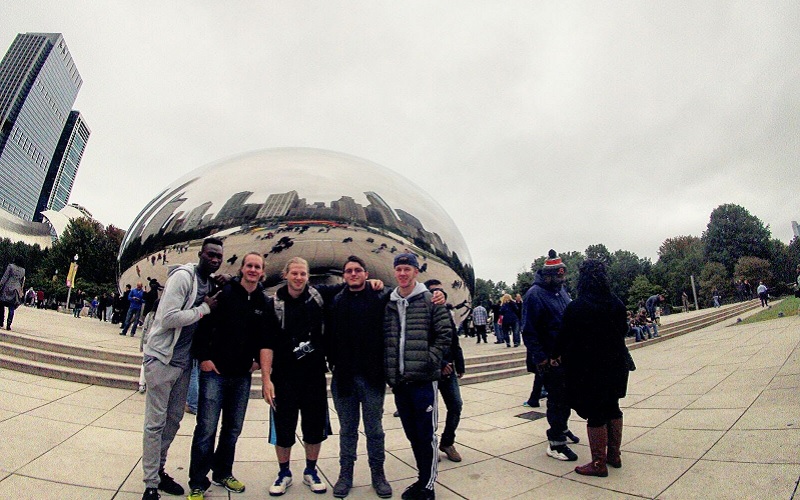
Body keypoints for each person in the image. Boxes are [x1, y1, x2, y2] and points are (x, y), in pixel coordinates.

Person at [140, 237, 223, 500]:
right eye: (211, 255)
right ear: (200, 254)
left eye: (219, 256)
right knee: (155, 424)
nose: (215, 260)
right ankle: (151, 484)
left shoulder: (209, 283)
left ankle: (160, 470)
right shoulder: (183, 278)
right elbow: (168, 317)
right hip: (162, 359)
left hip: (184, 363)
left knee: (173, 421)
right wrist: (203, 309)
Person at [186, 253, 270, 500]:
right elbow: (203, 325)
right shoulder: (225, 294)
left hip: (241, 376)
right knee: (206, 428)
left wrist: (256, 361)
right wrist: (204, 358)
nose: (253, 270)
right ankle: (198, 481)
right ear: (242, 269)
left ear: (262, 272)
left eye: (257, 267)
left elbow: (264, 335)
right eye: (249, 266)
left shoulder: (262, 301)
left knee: (232, 429)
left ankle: (223, 472)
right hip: (215, 374)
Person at [384, 253, 453, 500]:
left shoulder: (431, 300)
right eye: (399, 269)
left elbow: (445, 335)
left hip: (423, 381)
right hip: (400, 382)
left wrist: (428, 360)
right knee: (413, 435)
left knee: (426, 435)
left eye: (407, 269)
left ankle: (428, 485)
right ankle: (422, 479)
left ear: (415, 272)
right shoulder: (389, 303)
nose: (402, 274)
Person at [260, 257, 329, 496]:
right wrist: (266, 379)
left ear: (308, 276)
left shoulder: (318, 299)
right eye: (295, 273)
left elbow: (351, 286)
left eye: (303, 274)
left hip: (314, 377)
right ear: (286, 274)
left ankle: (311, 470)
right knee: (284, 428)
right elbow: (266, 343)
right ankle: (284, 472)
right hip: (284, 377)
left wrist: (373, 281)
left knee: (313, 426)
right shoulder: (275, 304)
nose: (299, 278)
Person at [325, 255, 393, 498]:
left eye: (357, 270)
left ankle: (378, 474)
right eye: (349, 271)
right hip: (343, 377)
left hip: (372, 376)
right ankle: (346, 475)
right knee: (348, 430)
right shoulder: (335, 300)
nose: (353, 274)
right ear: (344, 276)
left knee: (374, 429)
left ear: (366, 273)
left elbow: (404, 292)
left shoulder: (379, 297)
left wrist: (440, 295)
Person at [555, 259, 629, 477]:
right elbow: (624, 330)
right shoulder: (617, 303)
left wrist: (554, 356)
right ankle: (614, 455)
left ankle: (598, 463)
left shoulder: (576, 307)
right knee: (613, 407)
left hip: (590, 369)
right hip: (616, 365)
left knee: (596, 413)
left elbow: (564, 338)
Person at [521, 249, 580, 462]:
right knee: (557, 400)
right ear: (548, 275)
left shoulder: (561, 291)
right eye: (559, 276)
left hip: (566, 355)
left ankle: (562, 428)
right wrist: (542, 359)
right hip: (549, 359)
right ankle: (555, 442)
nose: (562, 279)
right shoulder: (534, 294)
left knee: (567, 397)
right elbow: (528, 330)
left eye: (563, 275)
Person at [424, 279, 465, 464]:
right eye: (433, 291)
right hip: (430, 371)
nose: (438, 293)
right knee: (429, 410)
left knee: (455, 405)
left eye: (440, 290)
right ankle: (429, 446)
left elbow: (453, 340)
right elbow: (423, 343)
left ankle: (447, 442)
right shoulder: (422, 313)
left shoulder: (447, 313)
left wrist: (459, 364)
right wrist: (440, 363)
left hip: (449, 370)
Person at [0, 258, 26, 331]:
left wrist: (1, 285)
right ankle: (9, 324)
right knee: (11, 307)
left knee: (1, 304)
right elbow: (22, 282)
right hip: (16, 290)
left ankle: (1, 321)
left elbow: (5, 277)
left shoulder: (10, 266)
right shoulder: (23, 270)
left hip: (7, 288)